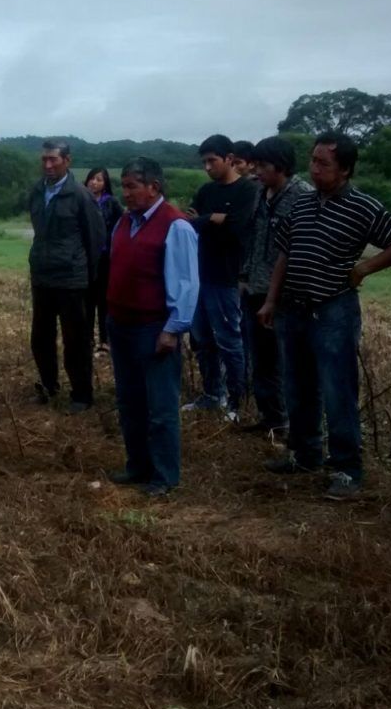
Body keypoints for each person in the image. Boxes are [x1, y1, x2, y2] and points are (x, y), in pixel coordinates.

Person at [258, 131, 391, 500]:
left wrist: (364, 269)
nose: (314, 169)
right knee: (297, 386)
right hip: (293, 308)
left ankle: (347, 469)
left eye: (323, 163)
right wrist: (270, 300)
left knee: (337, 390)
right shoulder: (301, 203)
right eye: (312, 161)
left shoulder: (362, 206)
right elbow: (284, 254)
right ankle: (305, 454)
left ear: (344, 170)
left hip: (333, 309)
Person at [106, 158, 199, 497]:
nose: (125, 193)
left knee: (160, 407)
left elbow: (186, 284)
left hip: (153, 327)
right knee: (130, 402)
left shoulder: (176, 226)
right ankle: (137, 466)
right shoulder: (123, 222)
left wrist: (172, 329)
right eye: (124, 185)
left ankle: (164, 476)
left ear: (154, 188)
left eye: (132, 186)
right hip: (121, 324)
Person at [27, 140, 106, 412]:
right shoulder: (37, 191)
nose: (48, 165)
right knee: (40, 338)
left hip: (72, 280)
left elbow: (95, 240)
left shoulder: (81, 195)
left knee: (76, 340)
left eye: (54, 160)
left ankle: (82, 394)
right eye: (44, 160)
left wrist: (86, 274)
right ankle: (49, 386)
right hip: (42, 276)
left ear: (67, 161)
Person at [241, 136, 312, 435]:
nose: (256, 171)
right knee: (262, 360)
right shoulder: (260, 193)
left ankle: (292, 425)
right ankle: (270, 418)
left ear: (281, 166)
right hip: (255, 289)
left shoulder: (303, 197)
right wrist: (243, 277)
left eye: (262, 165)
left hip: (286, 295)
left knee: (288, 363)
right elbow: (254, 238)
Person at [184, 134, 258, 422]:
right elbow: (191, 222)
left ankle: (237, 401)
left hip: (227, 276)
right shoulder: (206, 191)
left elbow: (238, 227)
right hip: (199, 274)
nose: (207, 167)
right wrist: (212, 218)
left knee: (229, 340)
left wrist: (211, 220)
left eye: (212, 161)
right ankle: (212, 394)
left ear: (229, 158)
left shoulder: (246, 191)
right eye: (204, 162)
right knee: (202, 339)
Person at [84, 167, 124, 356]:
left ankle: (104, 340)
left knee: (103, 300)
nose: (94, 183)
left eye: (99, 179)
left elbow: (121, 227)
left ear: (105, 183)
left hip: (106, 258)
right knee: (87, 299)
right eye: (92, 179)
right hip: (85, 258)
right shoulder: (82, 200)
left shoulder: (112, 203)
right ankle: (87, 338)